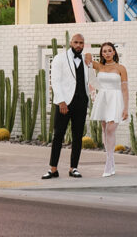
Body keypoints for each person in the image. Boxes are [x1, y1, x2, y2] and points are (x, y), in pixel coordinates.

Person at [42, 33, 89, 179]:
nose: (78, 45)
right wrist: (61, 101)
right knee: (58, 136)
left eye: (81, 43)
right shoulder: (60, 58)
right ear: (70, 43)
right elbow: (55, 81)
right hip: (64, 103)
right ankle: (53, 169)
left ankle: (73, 168)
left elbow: (91, 79)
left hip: (81, 103)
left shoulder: (86, 60)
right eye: (76, 42)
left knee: (77, 136)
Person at [85, 41, 128, 177]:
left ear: (114, 52)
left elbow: (125, 89)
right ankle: (110, 160)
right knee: (104, 129)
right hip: (103, 98)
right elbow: (87, 57)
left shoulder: (121, 68)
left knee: (110, 129)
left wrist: (126, 108)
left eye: (110, 50)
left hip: (116, 99)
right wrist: (87, 54)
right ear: (101, 54)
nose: (107, 53)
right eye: (104, 51)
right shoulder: (99, 66)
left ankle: (109, 162)